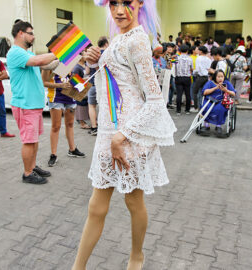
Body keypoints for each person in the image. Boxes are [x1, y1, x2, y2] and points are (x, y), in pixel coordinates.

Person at [71, 0, 176, 270]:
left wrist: (122, 136)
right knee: (96, 207)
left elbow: (155, 100)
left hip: (130, 135)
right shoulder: (119, 39)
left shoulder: (138, 40)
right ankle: (77, 267)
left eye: (127, 2)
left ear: (141, 4)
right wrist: (92, 61)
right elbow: (112, 83)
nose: (119, 10)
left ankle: (136, 256)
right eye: (114, 2)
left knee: (133, 200)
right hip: (108, 132)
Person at [7, 21, 56, 184]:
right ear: (20, 33)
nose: (33, 36)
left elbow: (47, 64)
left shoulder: (27, 53)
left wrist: (73, 56)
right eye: (31, 33)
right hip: (25, 104)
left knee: (33, 139)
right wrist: (60, 52)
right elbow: (38, 61)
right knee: (28, 140)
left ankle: (32, 166)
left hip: (33, 105)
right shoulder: (15, 52)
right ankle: (27, 173)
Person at [41, 46, 85, 167]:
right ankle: (53, 154)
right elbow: (43, 82)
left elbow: (71, 80)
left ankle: (72, 149)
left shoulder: (70, 62)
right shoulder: (49, 63)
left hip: (70, 96)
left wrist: (80, 84)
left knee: (70, 124)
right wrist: (60, 86)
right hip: (56, 98)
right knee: (56, 126)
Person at [200, 69, 236, 137]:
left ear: (224, 77)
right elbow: (204, 92)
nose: (220, 78)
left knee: (220, 108)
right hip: (209, 100)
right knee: (206, 107)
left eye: (221, 77)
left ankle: (218, 126)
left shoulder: (227, 83)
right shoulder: (210, 83)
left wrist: (226, 90)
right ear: (215, 77)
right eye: (218, 77)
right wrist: (215, 88)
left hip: (221, 101)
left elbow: (233, 93)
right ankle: (206, 125)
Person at [87, 36, 109, 136]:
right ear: (106, 43)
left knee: (91, 106)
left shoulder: (93, 53)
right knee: (103, 106)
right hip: (104, 84)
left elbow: (87, 71)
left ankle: (94, 127)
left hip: (92, 84)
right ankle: (103, 125)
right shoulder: (107, 53)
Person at [72, 54, 90, 129]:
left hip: (85, 88)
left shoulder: (85, 65)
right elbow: (73, 80)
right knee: (80, 105)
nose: (86, 55)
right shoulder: (76, 67)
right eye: (84, 54)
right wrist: (85, 80)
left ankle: (83, 121)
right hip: (79, 89)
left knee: (84, 104)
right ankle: (81, 122)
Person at [191, 46, 212, 112]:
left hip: (200, 77)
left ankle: (196, 107)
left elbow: (197, 69)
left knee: (195, 92)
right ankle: (202, 106)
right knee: (203, 92)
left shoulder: (198, 58)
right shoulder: (209, 59)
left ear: (201, 51)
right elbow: (209, 68)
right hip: (206, 77)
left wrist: (193, 72)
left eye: (199, 50)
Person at [175, 44, 193, 115]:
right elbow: (191, 68)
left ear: (179, 51)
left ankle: (178, 110)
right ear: (187, 50)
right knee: (187, 94)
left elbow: (170, 62)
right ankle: (187, 110)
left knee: (179, 94)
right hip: (187, 77)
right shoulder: (190, 58)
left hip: (179, 77)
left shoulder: (177, 58)